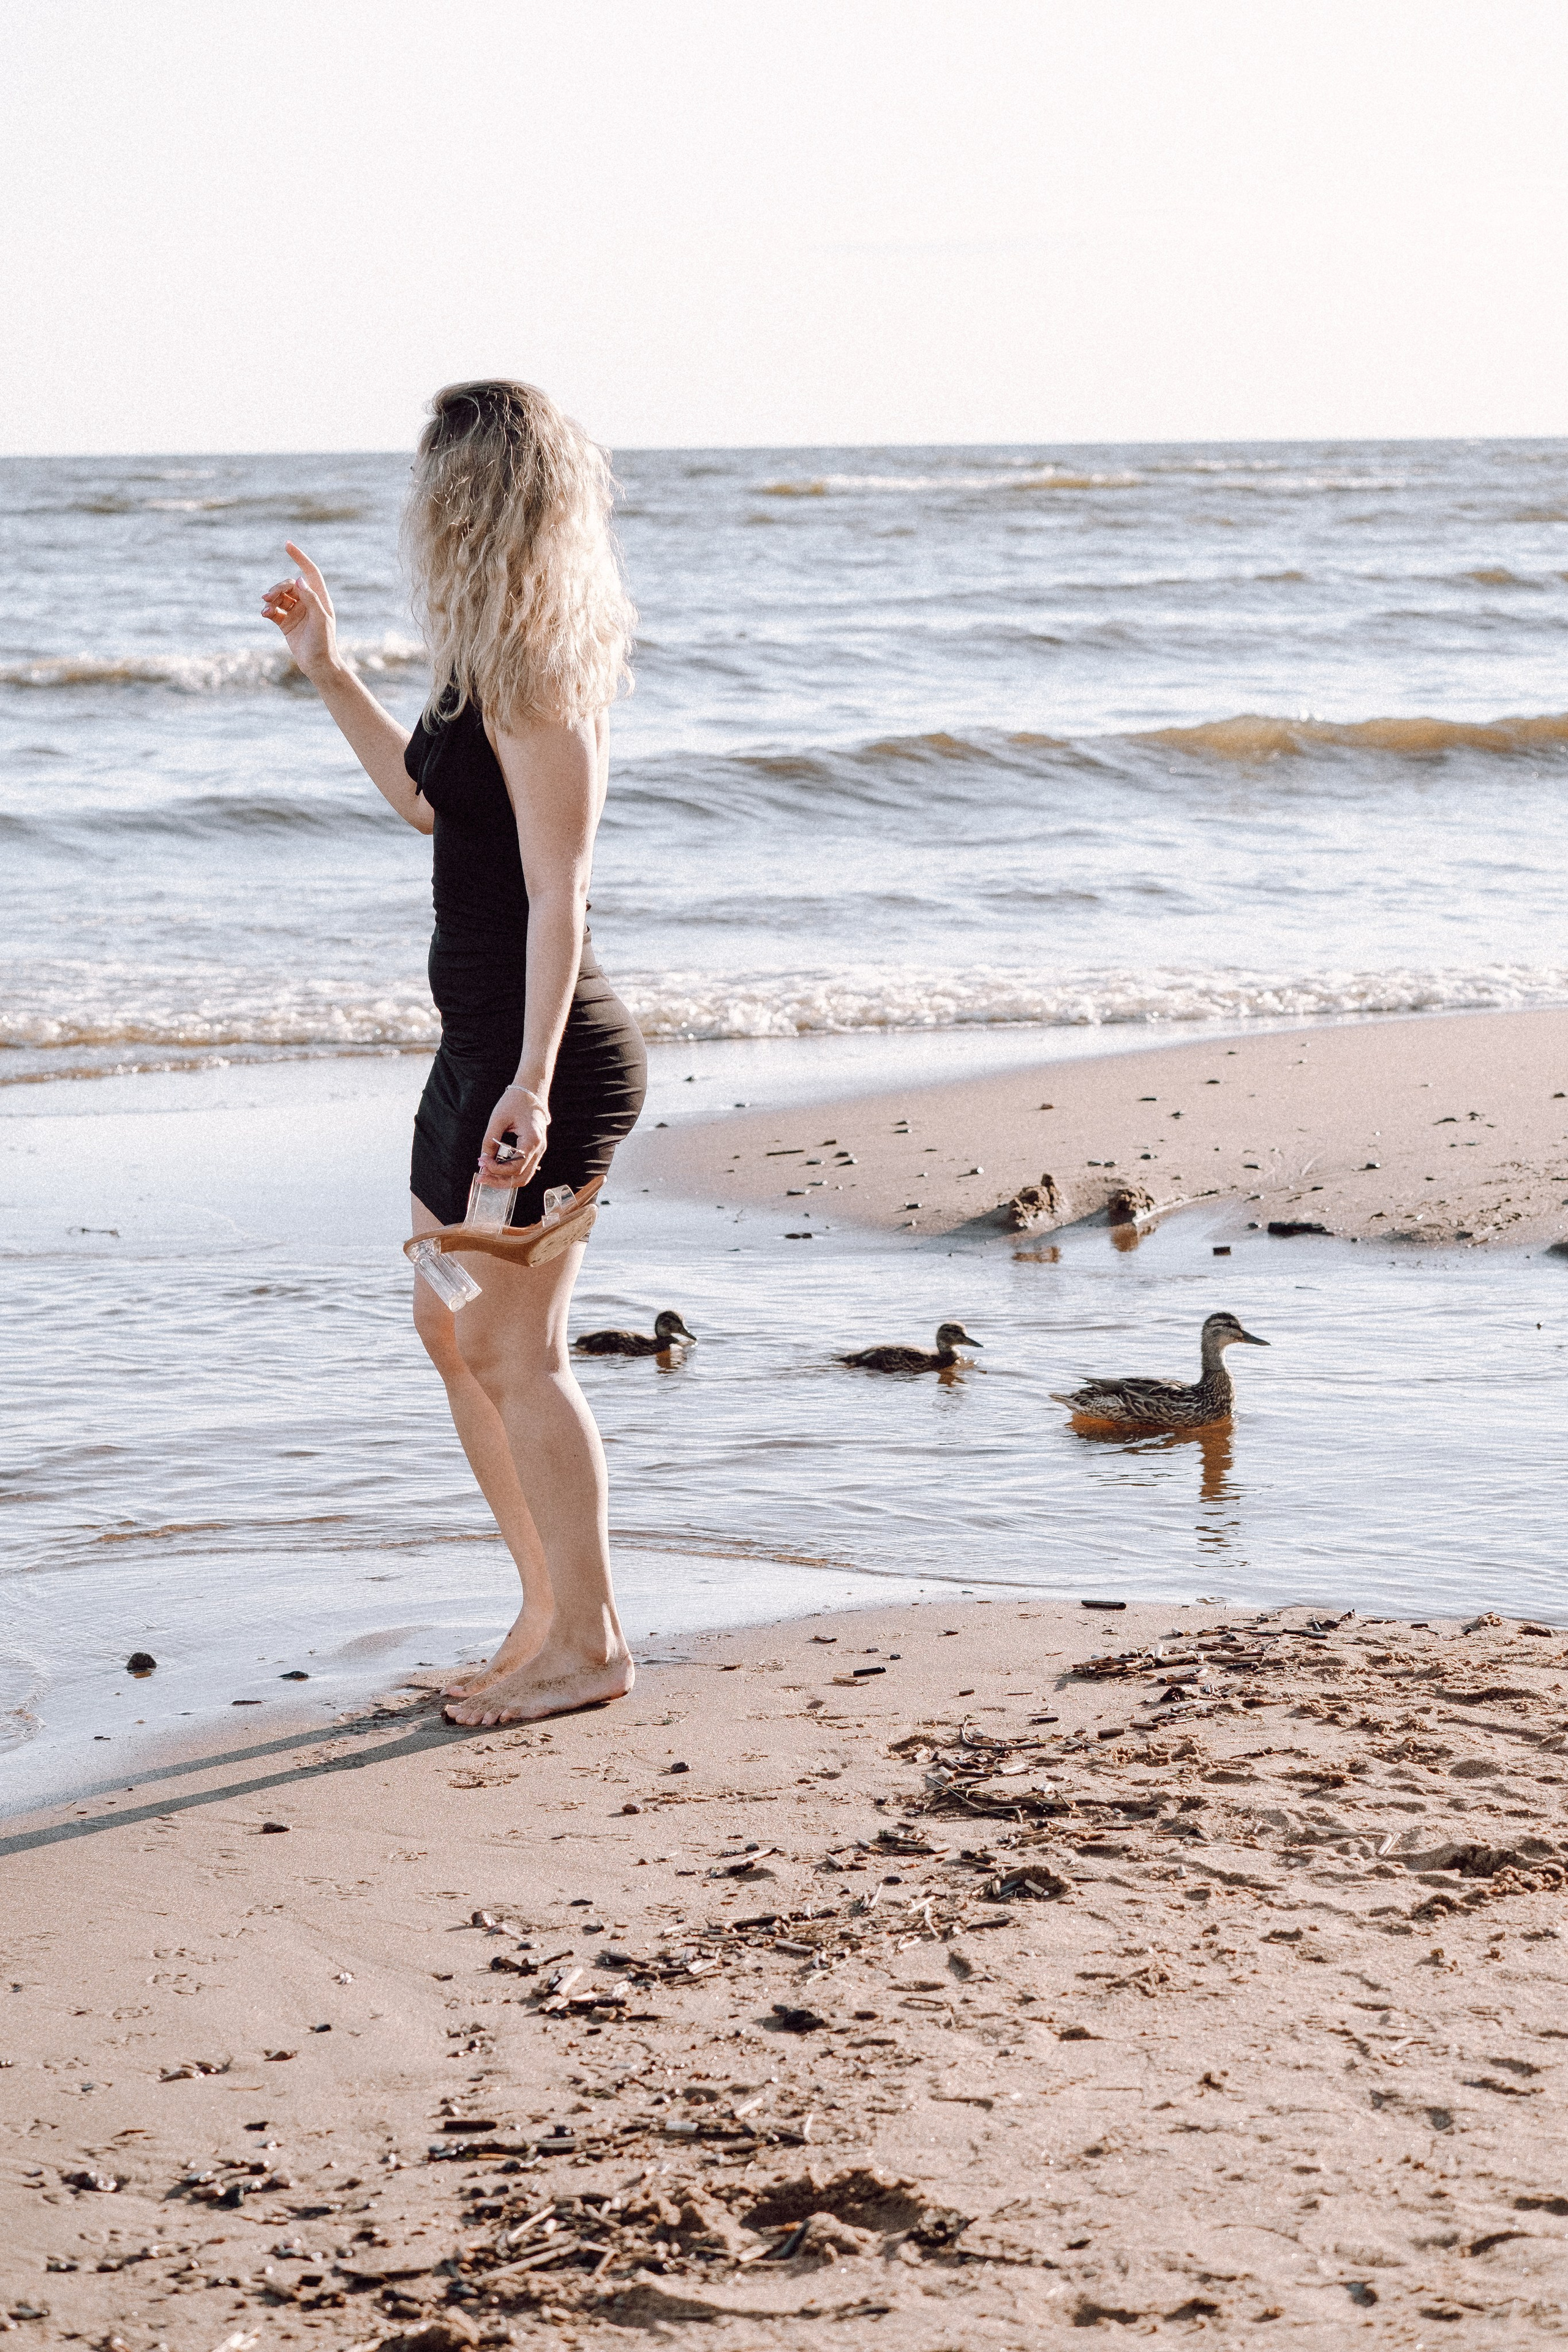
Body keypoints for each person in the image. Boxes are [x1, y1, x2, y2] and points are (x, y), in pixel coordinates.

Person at [262, 379, 646, 1727]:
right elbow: (431, 809)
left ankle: (589, 1644)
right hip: (472, 1049)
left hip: (534, 1063)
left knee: (515, 1354)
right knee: (451, 1331)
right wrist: (328, 670)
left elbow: (561, 893)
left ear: (478, 504)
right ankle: (543, 1613)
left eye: (436, 485)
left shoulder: (542, 685)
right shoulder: (484, 669)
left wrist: (533, 1080)